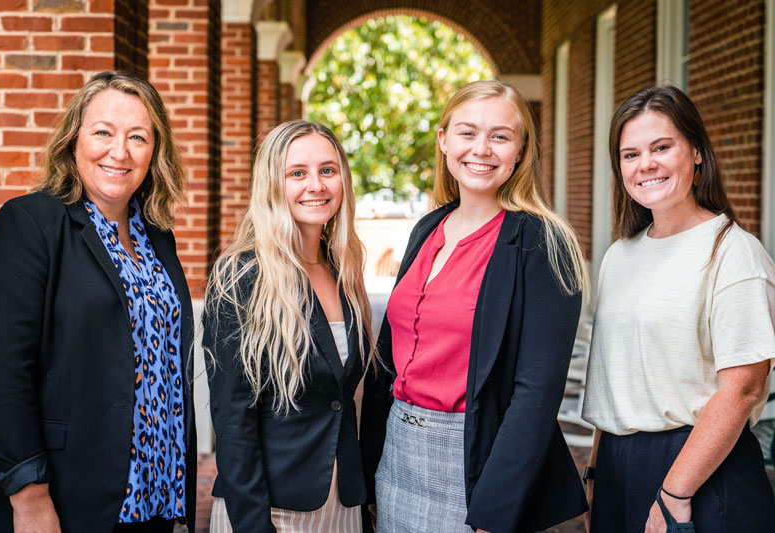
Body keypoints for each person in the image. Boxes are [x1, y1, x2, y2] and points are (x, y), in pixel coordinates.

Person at [359, 80, 590, 533]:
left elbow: (535, 396)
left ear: (521, 150)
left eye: (500, 136)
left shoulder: (544, 243)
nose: (481, 148)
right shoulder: (428, 227)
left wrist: (494, 516)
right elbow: (387, 359)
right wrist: (369, 471)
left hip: (474, 464)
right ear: (443, 140)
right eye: (467, 132)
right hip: (396, 455)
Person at [0, 70, 197, 533]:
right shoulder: (31, 224)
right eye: (103, 132)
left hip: (154, 496)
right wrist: (29, 495)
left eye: (138, 137)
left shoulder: (158, 239)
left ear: (155, 151)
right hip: (67, 496)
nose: (119, 151)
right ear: (73, 140)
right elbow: (1, 374)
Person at [582, 85, 775, 532]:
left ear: (697, 153)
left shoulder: (734, 252)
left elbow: (743, 390)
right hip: (616, 463)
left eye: (662, 147)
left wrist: (674, 493)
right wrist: (596, 474)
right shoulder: (620, 255)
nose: (645, 164)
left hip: (701, 471)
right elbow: (615, 383)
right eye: (630, 154)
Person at [204, 120, 377, 532]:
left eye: (327, 170)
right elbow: (232, 416)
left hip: (341, 505)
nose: (315, 185)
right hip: (269, 508)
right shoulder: (241, 275)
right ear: (272, 184)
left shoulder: (343, 272)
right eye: (297, 173)